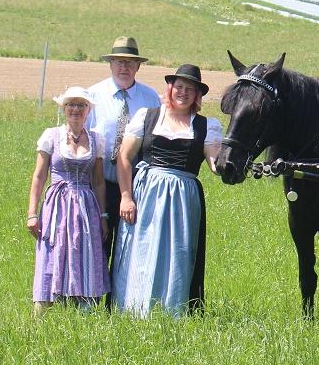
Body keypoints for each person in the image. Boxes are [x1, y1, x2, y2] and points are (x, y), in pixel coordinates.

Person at [111, 65, 221, 317]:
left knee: (178, 252)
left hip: (183, 198)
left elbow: (215, 163)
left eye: (190, 89)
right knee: (141, 249)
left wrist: (231, 164)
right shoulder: (146, 117)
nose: (183, 93)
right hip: (145, 193)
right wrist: (126, 197)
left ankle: (171, 311)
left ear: (197, 96)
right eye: (179, 87)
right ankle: (132, 309)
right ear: (169, 89)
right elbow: (124, 158)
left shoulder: (207, 126)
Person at [27, 87, 111, 314]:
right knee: (53, 251)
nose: (76, 109)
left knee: (85, 251)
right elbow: (39, 176)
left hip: (86, 205)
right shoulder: (51, 136)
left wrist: (103, 215)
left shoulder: (96, 140)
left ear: (88, 110)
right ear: (64, 108)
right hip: (56, 205)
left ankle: (85, 311)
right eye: (71, 104)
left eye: (81, 105)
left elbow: (99, 181)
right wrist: (32, 213)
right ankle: (43, 309)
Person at [86, 36, 161, 284]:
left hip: (135, 185)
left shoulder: (151, 99)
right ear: (110, 64)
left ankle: (121, 298)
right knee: (98, 241)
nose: (124, 67)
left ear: (138, 66)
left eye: (129, 62)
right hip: (99, 183)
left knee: (129, 245)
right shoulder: (93, 96)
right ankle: (94, 295)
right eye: (119, 61)